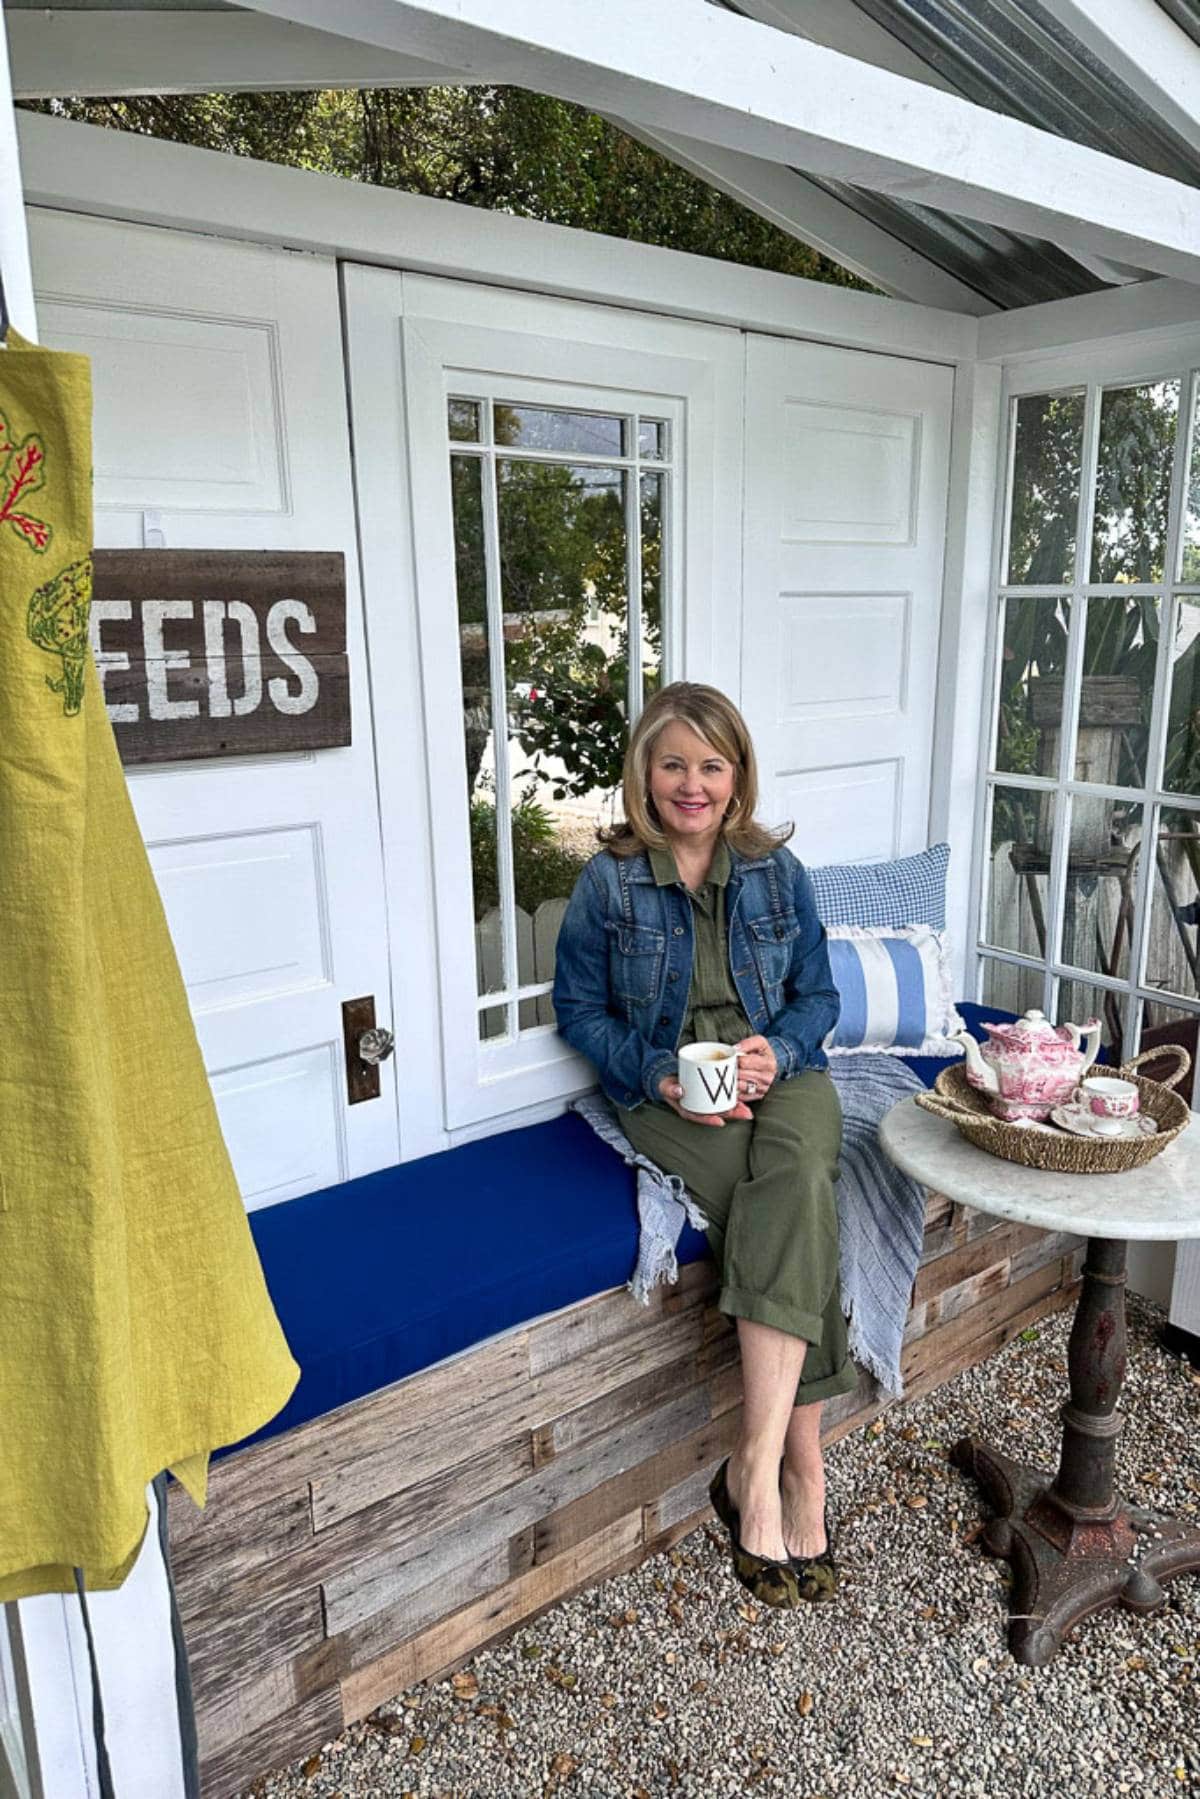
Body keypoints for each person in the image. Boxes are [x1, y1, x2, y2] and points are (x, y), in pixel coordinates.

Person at [552, 683, 852, 1610]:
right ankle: (804, 1468)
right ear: (645, 771)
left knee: (799, 1165)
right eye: (673, 762)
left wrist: (783, 1051)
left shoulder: (776, 870)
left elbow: (818, 997)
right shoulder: (610, 879)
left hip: (779, 1075)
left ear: (737, 776)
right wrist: (655, 1074)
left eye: (710, 765)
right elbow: (579, 1010)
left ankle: (753, 1466)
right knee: (786, 1205)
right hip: (671, 1086)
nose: (692, 783)